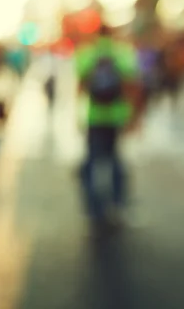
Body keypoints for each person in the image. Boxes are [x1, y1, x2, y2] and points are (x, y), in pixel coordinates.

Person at [74, 24, 144, 236]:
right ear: (112, 35)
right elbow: (132, 86)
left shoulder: (86, 54)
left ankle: (94, 209)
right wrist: (134, 117)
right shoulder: (123, 53)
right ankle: (117, 204)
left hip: (95, 117)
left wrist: (77, 117)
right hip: (117, 116)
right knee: (115, 159)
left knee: (92, 162)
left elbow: (81, 86)